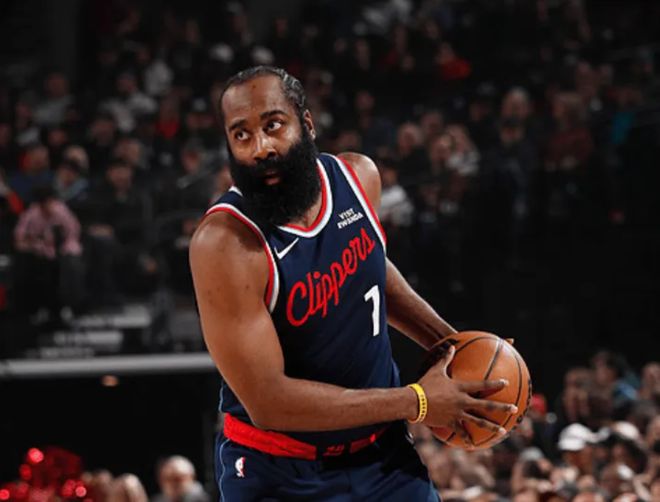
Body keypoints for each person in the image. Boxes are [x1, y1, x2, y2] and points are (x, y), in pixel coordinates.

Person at [189, 66, 517, 500]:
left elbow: (370, 266)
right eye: (241, 135)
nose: (261, 147)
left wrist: (452, 345)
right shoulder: (225, 244)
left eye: (273, 125)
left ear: (307, 123)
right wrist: (418, 401)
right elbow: (269, 402)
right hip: (280, 472)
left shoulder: (357, 178)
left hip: (383, 457)